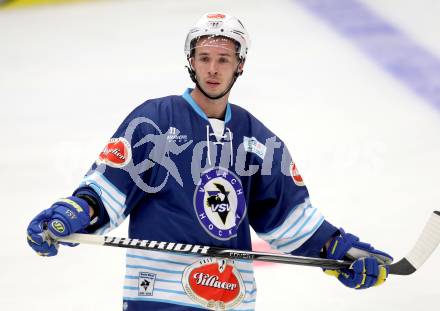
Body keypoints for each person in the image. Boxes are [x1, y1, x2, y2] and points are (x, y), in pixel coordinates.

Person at [27, 13, 393, 311]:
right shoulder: (154, 122)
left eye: (223, 59)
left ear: (240, 66)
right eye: (204, 58)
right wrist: (73, 211)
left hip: (230, 298)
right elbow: (109, 190)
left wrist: (338, 250)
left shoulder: (259, 140)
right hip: (158, 295)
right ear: (191, 62)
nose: (213, 69)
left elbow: (289, 218)